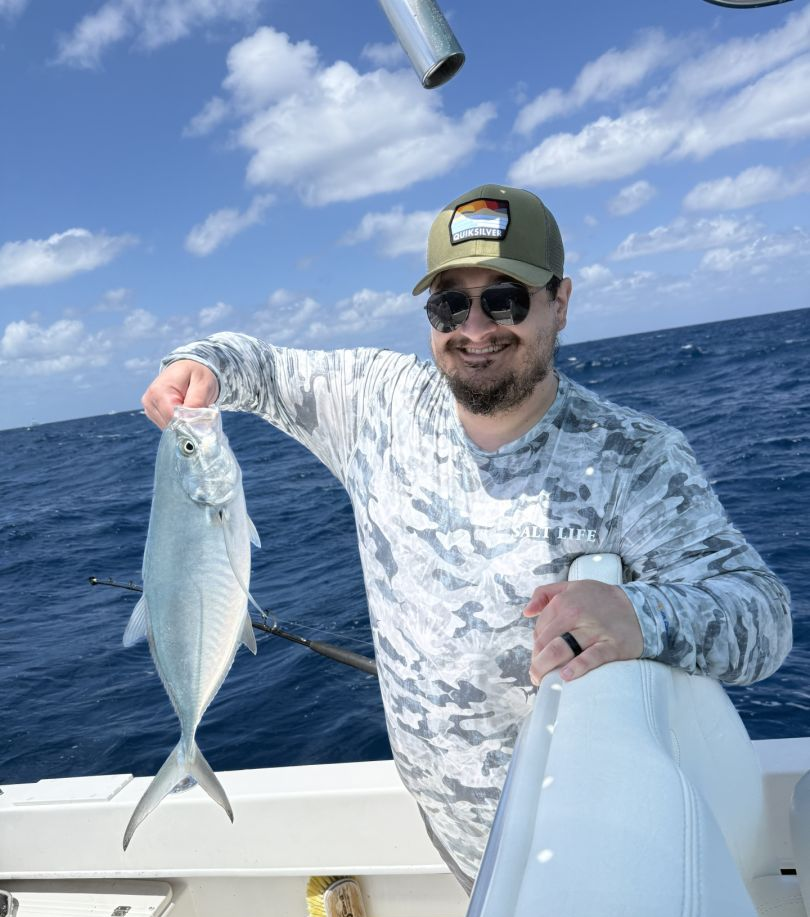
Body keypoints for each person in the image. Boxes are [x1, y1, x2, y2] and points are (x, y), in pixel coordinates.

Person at [141, 183, 792, 893]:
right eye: (450, 302)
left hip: (573, 857)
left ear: (560, 302)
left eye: (505, 298)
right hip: (449, 835)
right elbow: (258, 368)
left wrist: (638, 616)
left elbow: (762, 615)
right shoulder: (377, 404)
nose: (476, 327)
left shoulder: (635, 458)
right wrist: (198, 363)